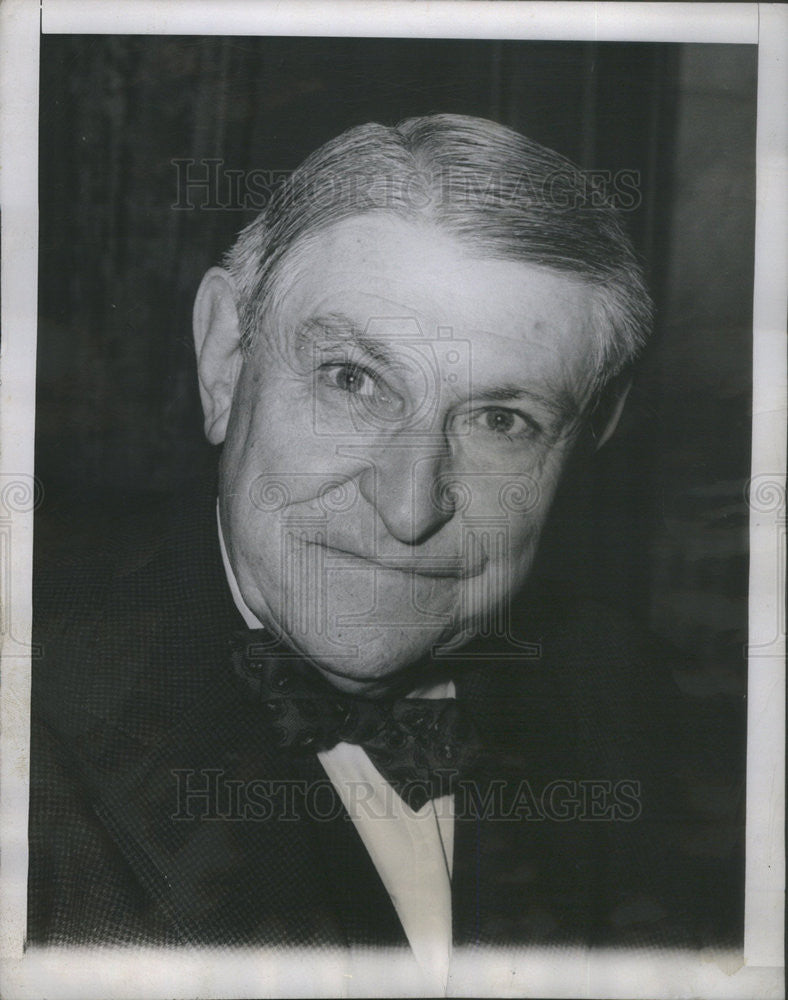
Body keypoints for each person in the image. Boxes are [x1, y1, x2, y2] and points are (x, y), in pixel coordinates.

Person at [28, 115, 742, 980]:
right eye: (352, 380)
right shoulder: (29, 726)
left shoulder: (618, 692)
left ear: (588, 439)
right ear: (224, 358)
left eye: (499, 421)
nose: (408, 510)